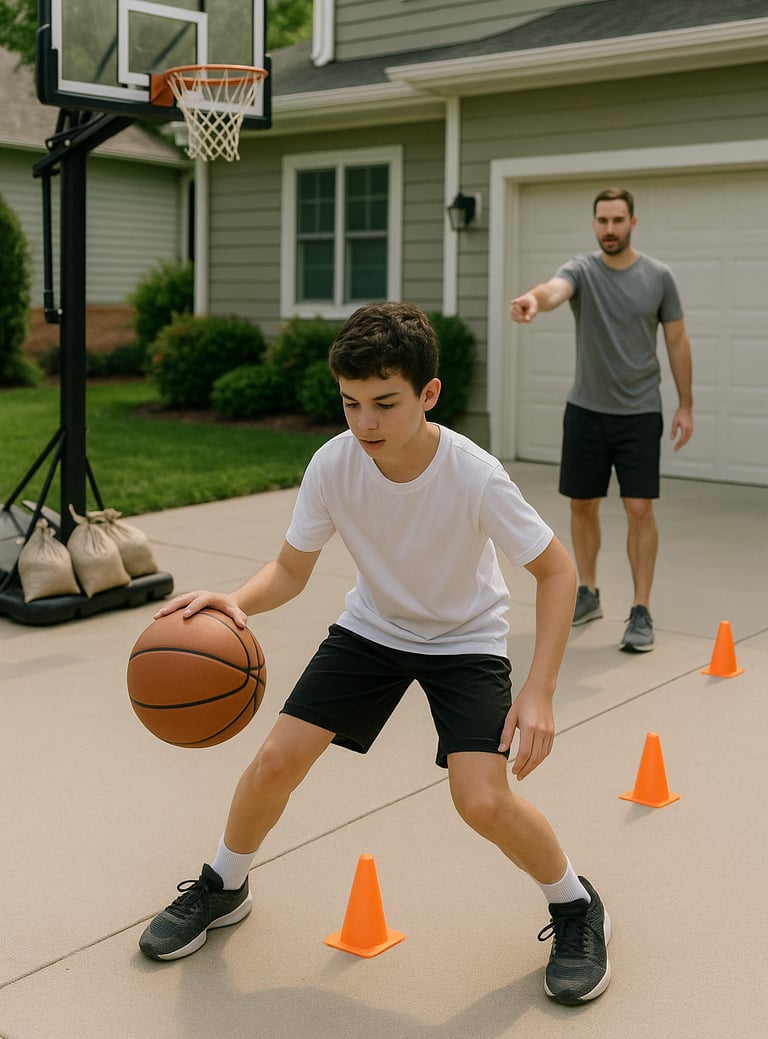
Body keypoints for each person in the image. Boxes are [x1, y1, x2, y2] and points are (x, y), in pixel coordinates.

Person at [139, 302, 611, 1006]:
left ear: (429, 394)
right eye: (351, 403)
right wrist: (236, 601)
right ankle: (223, 884)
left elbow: (557, 571)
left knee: (481, 800)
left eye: (385, 403)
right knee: (275, 762)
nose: (365, 423)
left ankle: (577, 906)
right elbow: (290, 569)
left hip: (465, 639)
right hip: (374, 629)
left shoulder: (474, 474)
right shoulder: (334, 464)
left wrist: (538, 689)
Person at [510, 187, 693, 652]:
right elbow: (555, 290)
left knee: (639, 509)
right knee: (582, 505)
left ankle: (641, 608)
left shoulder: (659, 277)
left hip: (639, 412)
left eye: (617, 220)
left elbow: (677, 340)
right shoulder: (583, 270)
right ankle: (588, 592)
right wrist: (533, 299)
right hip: (587, 411)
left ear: (633, 222)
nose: (610, 229)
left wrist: (686, 405)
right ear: (594, 224)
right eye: (602, 221)